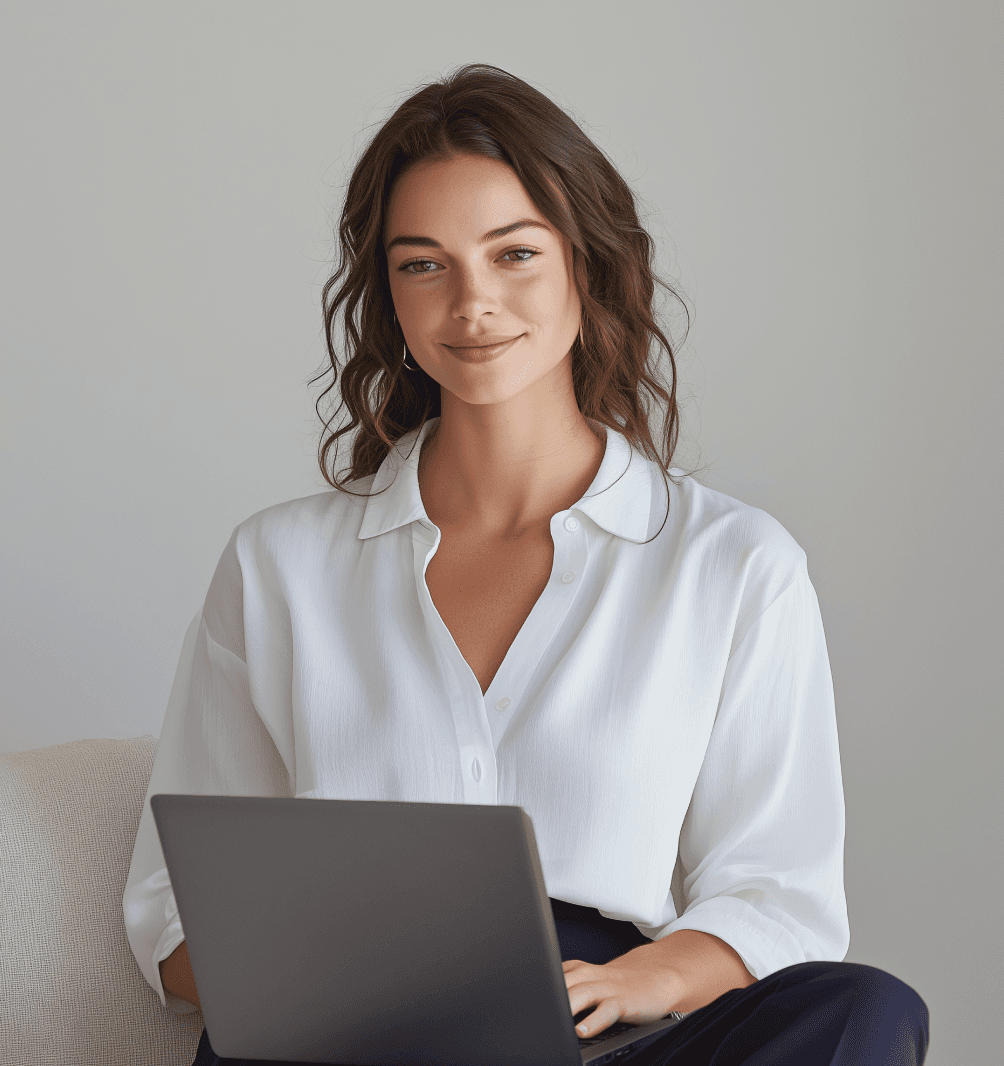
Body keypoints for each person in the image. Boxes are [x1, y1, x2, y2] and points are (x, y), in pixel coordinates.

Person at [123, 64, 930, 1066]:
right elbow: (169, 902)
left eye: (513, 255)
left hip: (599, 1029)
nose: (472, 304)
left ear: (583, 269)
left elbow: (781, 896)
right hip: (345, 1037)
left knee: (864, 1010)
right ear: (388, 293)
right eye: (424, 264)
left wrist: (645, 977)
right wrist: (344, 988)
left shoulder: (732, 565)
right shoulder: (277, 565)